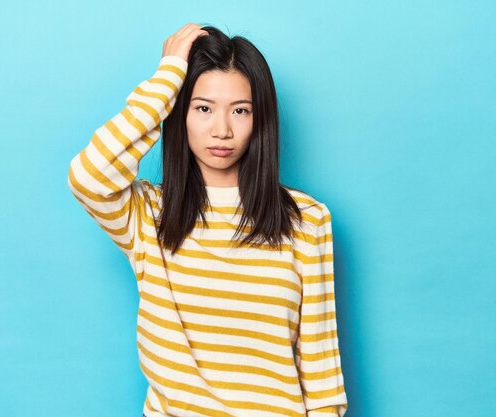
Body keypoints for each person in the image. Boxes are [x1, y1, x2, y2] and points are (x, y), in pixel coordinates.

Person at [68, 23, 348, 417]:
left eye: (240, 111)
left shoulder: (307, 221)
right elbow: (88, 176)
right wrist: (167, 79)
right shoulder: (148, 215)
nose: (222, 130)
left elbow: (322, 379)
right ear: (179, 113)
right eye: (203, 108)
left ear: (259, 120)